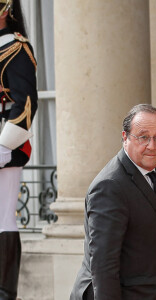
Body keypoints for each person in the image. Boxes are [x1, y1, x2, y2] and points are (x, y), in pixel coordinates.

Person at [70, 104, 156, 300]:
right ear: (125, 137)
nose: (152, 146)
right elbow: (103, 265)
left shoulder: (149, 173)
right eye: (143, 137)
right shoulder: (110, 186)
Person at [0, 0, 38, 299]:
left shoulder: (16, 48)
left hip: (5, 142)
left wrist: (3, 145)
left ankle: (4, 291)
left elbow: (25, 104)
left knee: (3, 217)